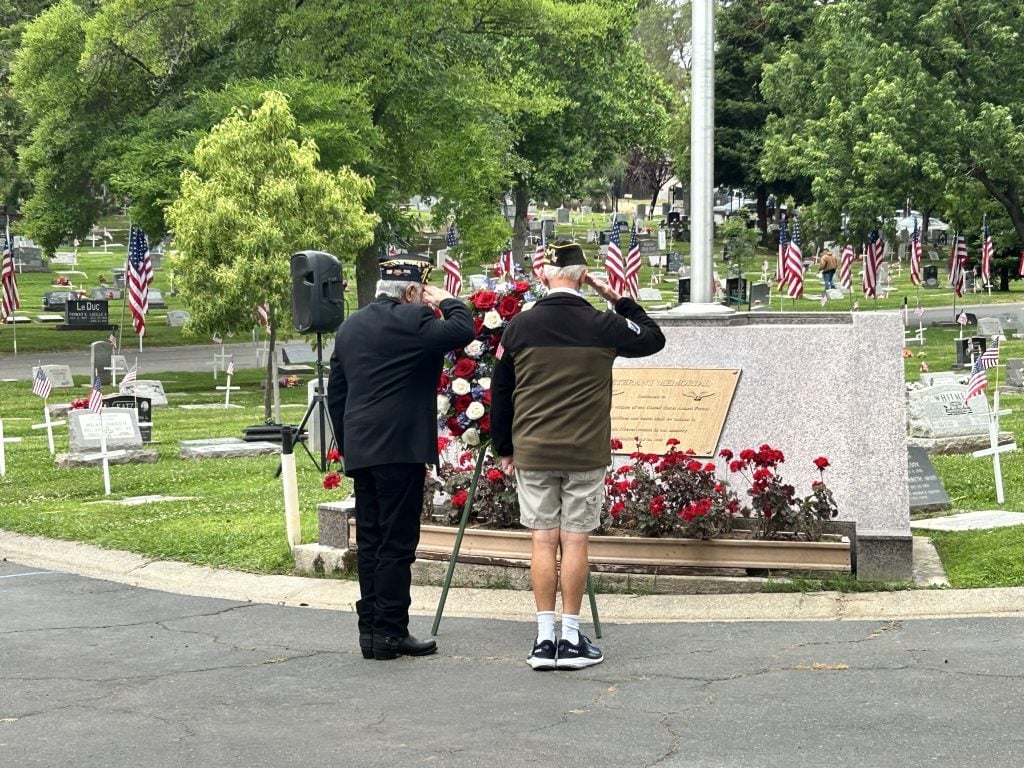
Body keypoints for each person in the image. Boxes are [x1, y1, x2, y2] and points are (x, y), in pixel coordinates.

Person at [490, 240, 665, 671]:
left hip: (533, 450)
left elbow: (501, 392)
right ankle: (570, 638)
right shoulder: (603, 324)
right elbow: (654, 338)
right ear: (583, 276)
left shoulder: (519, 327)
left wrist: (504, 449)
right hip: (585, 451)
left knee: (542, 540)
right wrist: (614, 297)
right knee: (575, 540)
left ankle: (542, 637)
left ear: (545, 275)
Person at [327, 255, 474, 661]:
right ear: (412, 292)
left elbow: (337, 393)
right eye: (420, 293)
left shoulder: (350, 326)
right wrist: (447, 300)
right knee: (396, 542)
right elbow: (464, 327)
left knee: (371, 541)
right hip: (401, 449)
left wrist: (349, 444)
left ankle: (371, 634)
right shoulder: (415, 320)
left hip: (363, 449)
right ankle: (391, 633)